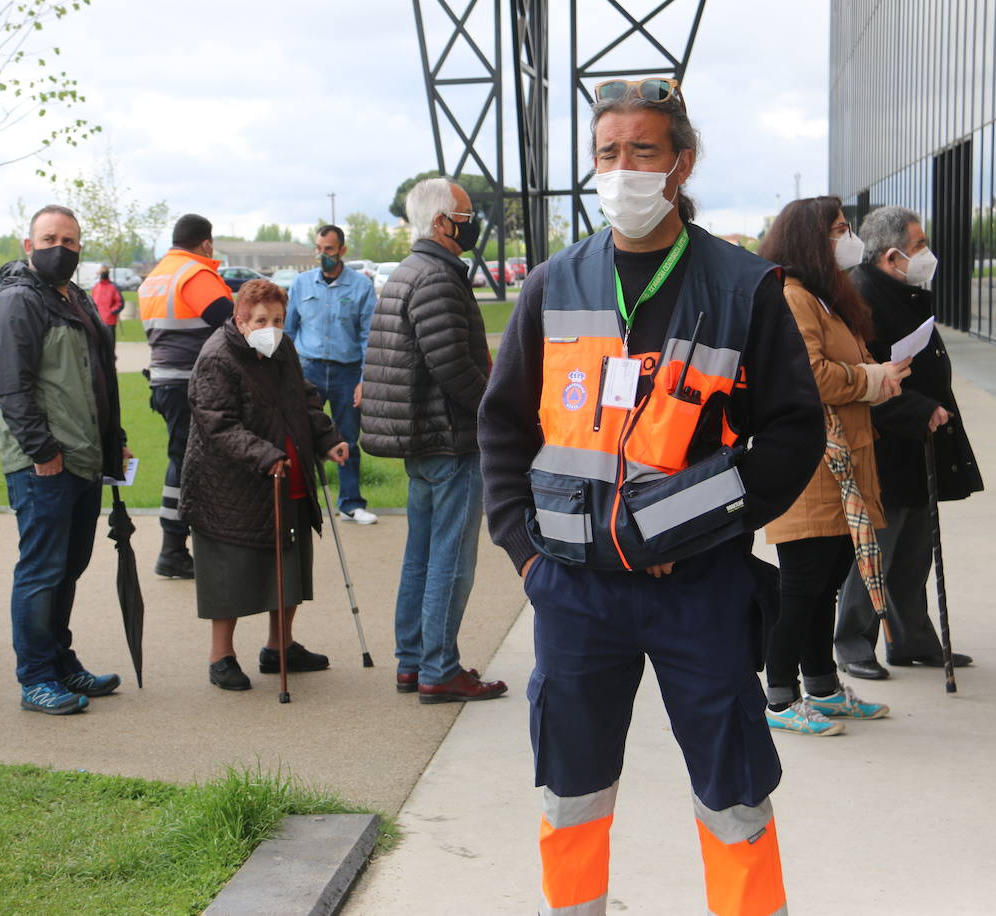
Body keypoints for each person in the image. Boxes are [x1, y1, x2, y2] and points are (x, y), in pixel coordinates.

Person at [479, 79, 825, 915]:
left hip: (698, 590)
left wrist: (688, 520)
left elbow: (791, 435)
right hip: (571, 592)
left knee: (733, 788)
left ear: (681, 162)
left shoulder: (746, 287)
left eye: (643, 150)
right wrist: (526, 555)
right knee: (571, 788)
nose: (623, 167)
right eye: (608, 152)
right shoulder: (552, 284)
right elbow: (502, 430)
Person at [759, 196, 908, 734]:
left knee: (825, 584)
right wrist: (870, 380)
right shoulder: (793, 297)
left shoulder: (825, 299)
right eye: (839, 230)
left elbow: (854, 361)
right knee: (801, 585)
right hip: (811, 464)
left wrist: (882, 372)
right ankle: (778, 697)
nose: (850, 240)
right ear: (809, 240)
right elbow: (811, 375)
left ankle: (820, 686)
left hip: (843, 463)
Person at [359, 177, 503, 705]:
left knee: (421, 554)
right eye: (465, 215)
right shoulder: (438, 277)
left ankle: (414, 662)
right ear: (442, 222)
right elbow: (452, 366)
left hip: (422, 438)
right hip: (448, 438)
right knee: (449, 557)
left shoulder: (409, 271)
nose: (472, 223)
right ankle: (440, 668)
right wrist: (495, 413)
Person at [0, 205, 129, 716]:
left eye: (70, 241)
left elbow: (95, 379)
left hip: (84, 457)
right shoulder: (18, 302)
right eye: (50, 238)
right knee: (42, 571)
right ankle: (36, 678)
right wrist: (42, 451)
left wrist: (116, 440)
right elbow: (9, 387)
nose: (60, 248)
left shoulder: (76, 298)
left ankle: (61, 661)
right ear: (28, 245)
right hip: (44, 463)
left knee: (68, 567)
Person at [834, 205, 983, 678]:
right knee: (876, 548)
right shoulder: (863, 298)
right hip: (886, 443)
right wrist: (918, 409)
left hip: (920, 440)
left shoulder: (902, 290)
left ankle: (911, 637)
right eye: (919, 246)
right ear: (893, 255)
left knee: (916, 547)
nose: (926, 254)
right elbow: (863, 379)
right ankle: (854, 641)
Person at [181, 279, 348, 690]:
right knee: (230, 573)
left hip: (287, 476)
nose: (270, 326)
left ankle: (280, 647)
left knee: (287, 566)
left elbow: (304, 399)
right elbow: (217, 422)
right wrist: (265, 454)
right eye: (261, 319)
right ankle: (221, 657)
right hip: (231, 487)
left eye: (277, 318)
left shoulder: (282, 349)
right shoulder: (217, 357)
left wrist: (327, 439)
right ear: (240, 320)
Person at [138, 214, 235, 579]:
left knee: (180, 461)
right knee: (200, 464)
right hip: (194, 383)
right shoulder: (194, 274)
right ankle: (192, 546)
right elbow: (231, 321)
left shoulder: (157, 277)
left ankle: (173, 547)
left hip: (165, 382)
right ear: (206, 244)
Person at [286, 225, 379, 525]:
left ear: (342, 250)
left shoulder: (361, 287)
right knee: (300, 435)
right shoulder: (301, 285)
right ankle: (302, 501)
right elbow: (288, 330)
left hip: (347, 372)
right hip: (308, 369)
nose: (322, 254)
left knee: (347, 438)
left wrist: (365, 380)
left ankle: (351, 503)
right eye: (319, 248)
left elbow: (369, 337)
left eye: (328, 249)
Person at [91, 266, 124, 344]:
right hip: (97, 321)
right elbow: (92, 302)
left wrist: (111, 312)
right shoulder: (96, 287)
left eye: (104, 272)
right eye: (102, 272)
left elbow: (120, 303)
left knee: (109, 344)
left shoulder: (113, 287)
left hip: (109, 321)